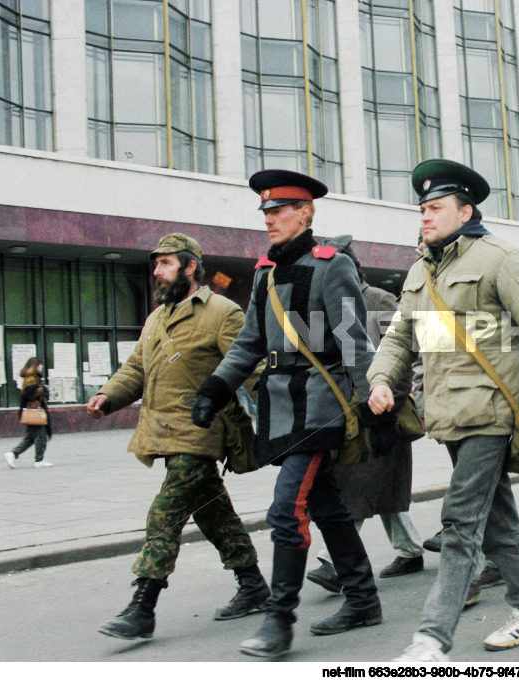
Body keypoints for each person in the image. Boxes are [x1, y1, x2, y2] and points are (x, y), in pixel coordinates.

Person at [368, 159, 519, 661]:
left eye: (436, 207)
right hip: (447, 417)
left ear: (466, 211)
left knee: (460, 519)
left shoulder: (498, 258)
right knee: (498, 522)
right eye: (422, 207)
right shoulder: (421, 270)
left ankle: (431, 639)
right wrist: (381, 379)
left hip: (491, 414)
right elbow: (400, 334)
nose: (425, 215)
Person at [191, 170, 394, 658]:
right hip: (281, 408)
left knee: (287, 510)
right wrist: (215, 388)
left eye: (279, 211)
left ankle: (279, 620)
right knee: (326, 506)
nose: (269, 220)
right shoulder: (266, 271)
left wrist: (375, 401)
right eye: (265, 212)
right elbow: (249, 343)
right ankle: (363, 599)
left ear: (306, 213)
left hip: (320, 407)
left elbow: (353, 342)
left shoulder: (331, 265)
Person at [87, 233, 269, 641]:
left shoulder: (222, 312)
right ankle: (253, 585)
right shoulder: (157, 318)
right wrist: (107, 396)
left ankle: (143, 607)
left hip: (202, 432)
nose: (157, 271)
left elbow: (249, 367)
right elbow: (136, 368)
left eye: (165, 263)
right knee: (213, 513)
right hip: (163, 433)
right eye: (156, 264)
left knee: (165, 514)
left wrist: (283, 414)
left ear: (190, 267)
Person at [306, 239, 426, 592]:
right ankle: (409, 550)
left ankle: (336, 563)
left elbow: (402, 356)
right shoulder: (327, 306)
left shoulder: (378, 300)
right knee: (383, 487)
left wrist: (391, 404)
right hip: (348, 413)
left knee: (356, 487)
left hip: (382, 411)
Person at [4, 357, 53, 468]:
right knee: (41, 436)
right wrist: (42, 390)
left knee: (30, 438)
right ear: (35, 366)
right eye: (40, 365)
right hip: (33, 412)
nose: (42, 367)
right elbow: (29, 395)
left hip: (32, 412)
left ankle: (12, 454)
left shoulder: (32, 378)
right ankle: (39, 460)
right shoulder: (31, 379)